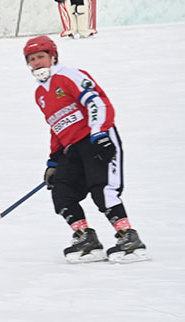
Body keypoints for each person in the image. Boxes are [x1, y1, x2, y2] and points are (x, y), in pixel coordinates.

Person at [23, 36, 148, 264]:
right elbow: (56, 126)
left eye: (41, 56)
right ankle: (85, 238)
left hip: (94, 139)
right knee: (62, 192)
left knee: (102, 190)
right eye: (31, 59)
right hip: (71, 149)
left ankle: (128, 236)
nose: (37, 62)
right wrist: (54, 161)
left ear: (53, 56)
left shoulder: (69, 75)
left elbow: (96, 102)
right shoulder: (40, 94)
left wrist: (100, 133)